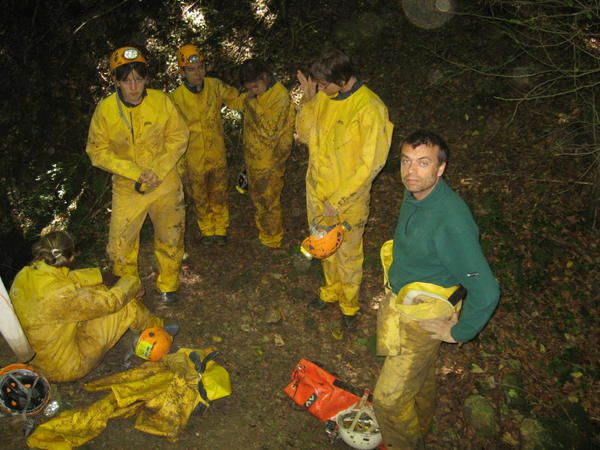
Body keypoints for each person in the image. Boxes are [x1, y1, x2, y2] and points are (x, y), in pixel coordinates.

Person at [373, 130, 500, 448]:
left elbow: (486, 290)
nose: (410, 172)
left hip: (424, 318)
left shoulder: (452, 221)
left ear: (441, 169)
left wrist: (458, 332)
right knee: (422, 375)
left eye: (423, 163)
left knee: (387, 401)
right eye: (405, 161)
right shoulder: (415, 192)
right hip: (404, 302)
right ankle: (424, 422)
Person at [296, 48, 393, 330]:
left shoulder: (371, 108)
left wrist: (338, 200)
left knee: (348, 253)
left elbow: (371, 164)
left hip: (348, 200)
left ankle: (349, 306)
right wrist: (309, 102)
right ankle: (330, 292)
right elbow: (303, 136)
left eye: (323, 84)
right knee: (323, 245)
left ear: (343, 78)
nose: (321, 88)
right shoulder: (324, 99)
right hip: (317, 192)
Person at [86, 46, 189, 305]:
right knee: (120, 245)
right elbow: (97, 151)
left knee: (171, 235)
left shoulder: (161, 101)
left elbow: (178, 136)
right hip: (128, 186)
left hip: (164, 182)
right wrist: (134, 172)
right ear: (116, 81)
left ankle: (169, 284)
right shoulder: (106, 110)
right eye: (127, 80)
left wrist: (157, 169)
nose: (133, 86)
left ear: (146, 79)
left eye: (139, 79)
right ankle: (129, 291)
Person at [9, 231, 164, 382]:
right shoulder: (61, 297)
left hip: (37, 362)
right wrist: (132, 282)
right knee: (127, 305)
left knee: (97, 290)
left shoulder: (25, 275)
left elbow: (70, 278)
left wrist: (104, 276)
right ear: (71, 257)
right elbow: (111, 302)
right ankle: (159, 333)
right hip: (64, 368)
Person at [170, 44, 244, 245]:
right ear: (182, 71)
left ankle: (220, 229)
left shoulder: (215, 86)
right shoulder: (176, 98)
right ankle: (207, 230)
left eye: (200, 67)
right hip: (192, 157)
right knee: (199, 196)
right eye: (191, 69)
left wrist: (259, 97)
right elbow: (170, 130)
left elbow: (237, 100)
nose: (197, 73)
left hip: (216, 152)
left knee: (219, 191)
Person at [238, 59, 295, 249]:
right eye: (250, 88)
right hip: (255, 159)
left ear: (265, 77)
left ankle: (273, 239)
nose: (253, 91)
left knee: (269, 199)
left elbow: (269, 130)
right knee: (258, 198)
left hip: (271, 159)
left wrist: (252, 103)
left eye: (255, 86)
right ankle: (265, 234)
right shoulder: (255, 97)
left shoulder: (280, 97)